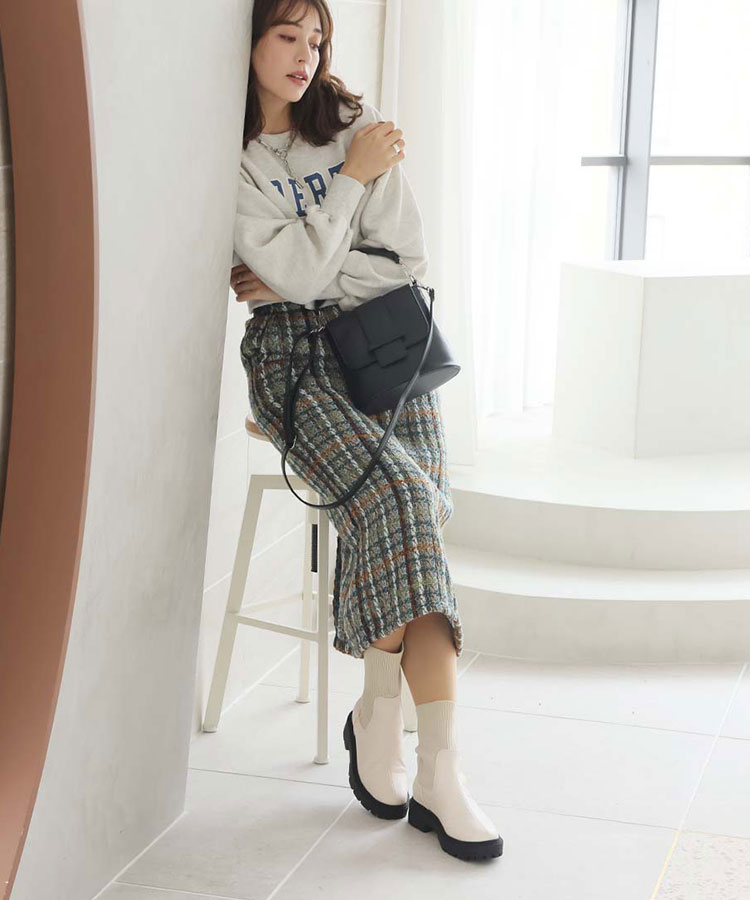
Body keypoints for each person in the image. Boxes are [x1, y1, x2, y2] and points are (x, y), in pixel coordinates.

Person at [231, 0, 502, 862]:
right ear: (249, 40)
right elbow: (297, 275)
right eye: (288, 36)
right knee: (401, 501)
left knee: (414, 507)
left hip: (386, 342)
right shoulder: (232, 156)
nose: (306, 55)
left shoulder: (353, 119)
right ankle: (405, 742)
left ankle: (422, 752)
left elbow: (403, 262)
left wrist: (299, 271)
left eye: (317, 40)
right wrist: (349, 184)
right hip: (292, 360)